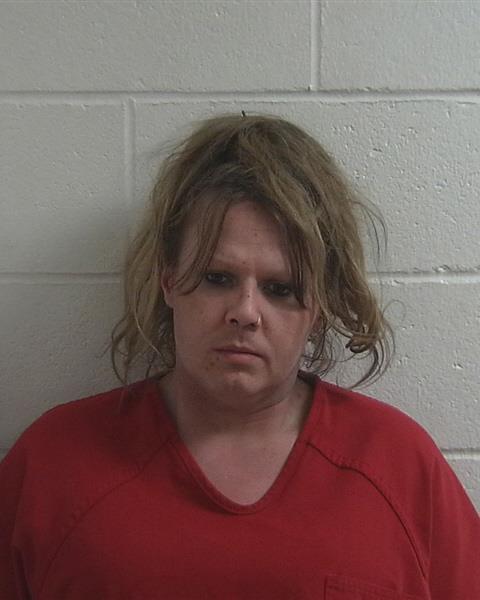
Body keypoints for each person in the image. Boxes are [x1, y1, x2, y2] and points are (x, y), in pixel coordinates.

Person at [0, 112, 478, 599]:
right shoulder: (52, 467)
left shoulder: (399, 467)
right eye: (217, 278)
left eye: (280, 288)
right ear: (169, 281)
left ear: (318, 307)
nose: (246, 312)